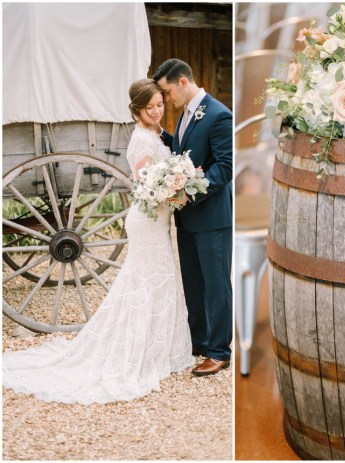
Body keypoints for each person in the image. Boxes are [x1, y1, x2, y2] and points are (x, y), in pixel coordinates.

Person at [2, 79, 195, 404]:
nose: (158, 111)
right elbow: (150, 187)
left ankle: (158, 348)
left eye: (161, 104)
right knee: (147, 281)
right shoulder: (140, 141)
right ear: (136, 111)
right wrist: (177, 190)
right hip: (147, 223)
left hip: (154, 222)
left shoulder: (156, 135)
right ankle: (138, 351)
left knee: (155, 280)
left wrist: (180, 178)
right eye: (151, 108)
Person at [153, 59, 233, 376]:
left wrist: (188, 191)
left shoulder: (218, 115)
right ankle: (199, 343)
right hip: (186, 220)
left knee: (216, 286)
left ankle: (219, 351)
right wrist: (161, 135)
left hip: (212, 218)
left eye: (167, 92)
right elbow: (186, 155)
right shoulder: (187, 115)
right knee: (194, 284)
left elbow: (224, 168)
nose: (166, 99)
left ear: (183, 83)